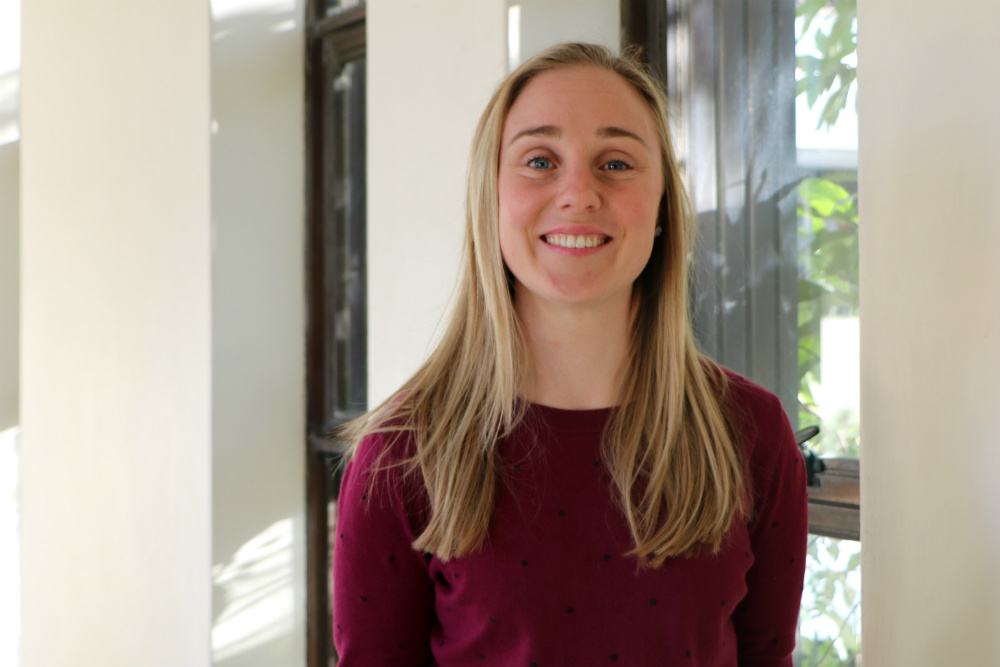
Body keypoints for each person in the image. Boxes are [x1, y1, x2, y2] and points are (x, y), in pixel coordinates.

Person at [332, 42, 807, 667]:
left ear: (662, 204)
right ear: (491, 198)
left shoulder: (751, 434)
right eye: (538, 160)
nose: (579, 193)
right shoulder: (400, 454)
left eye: (615, 163)